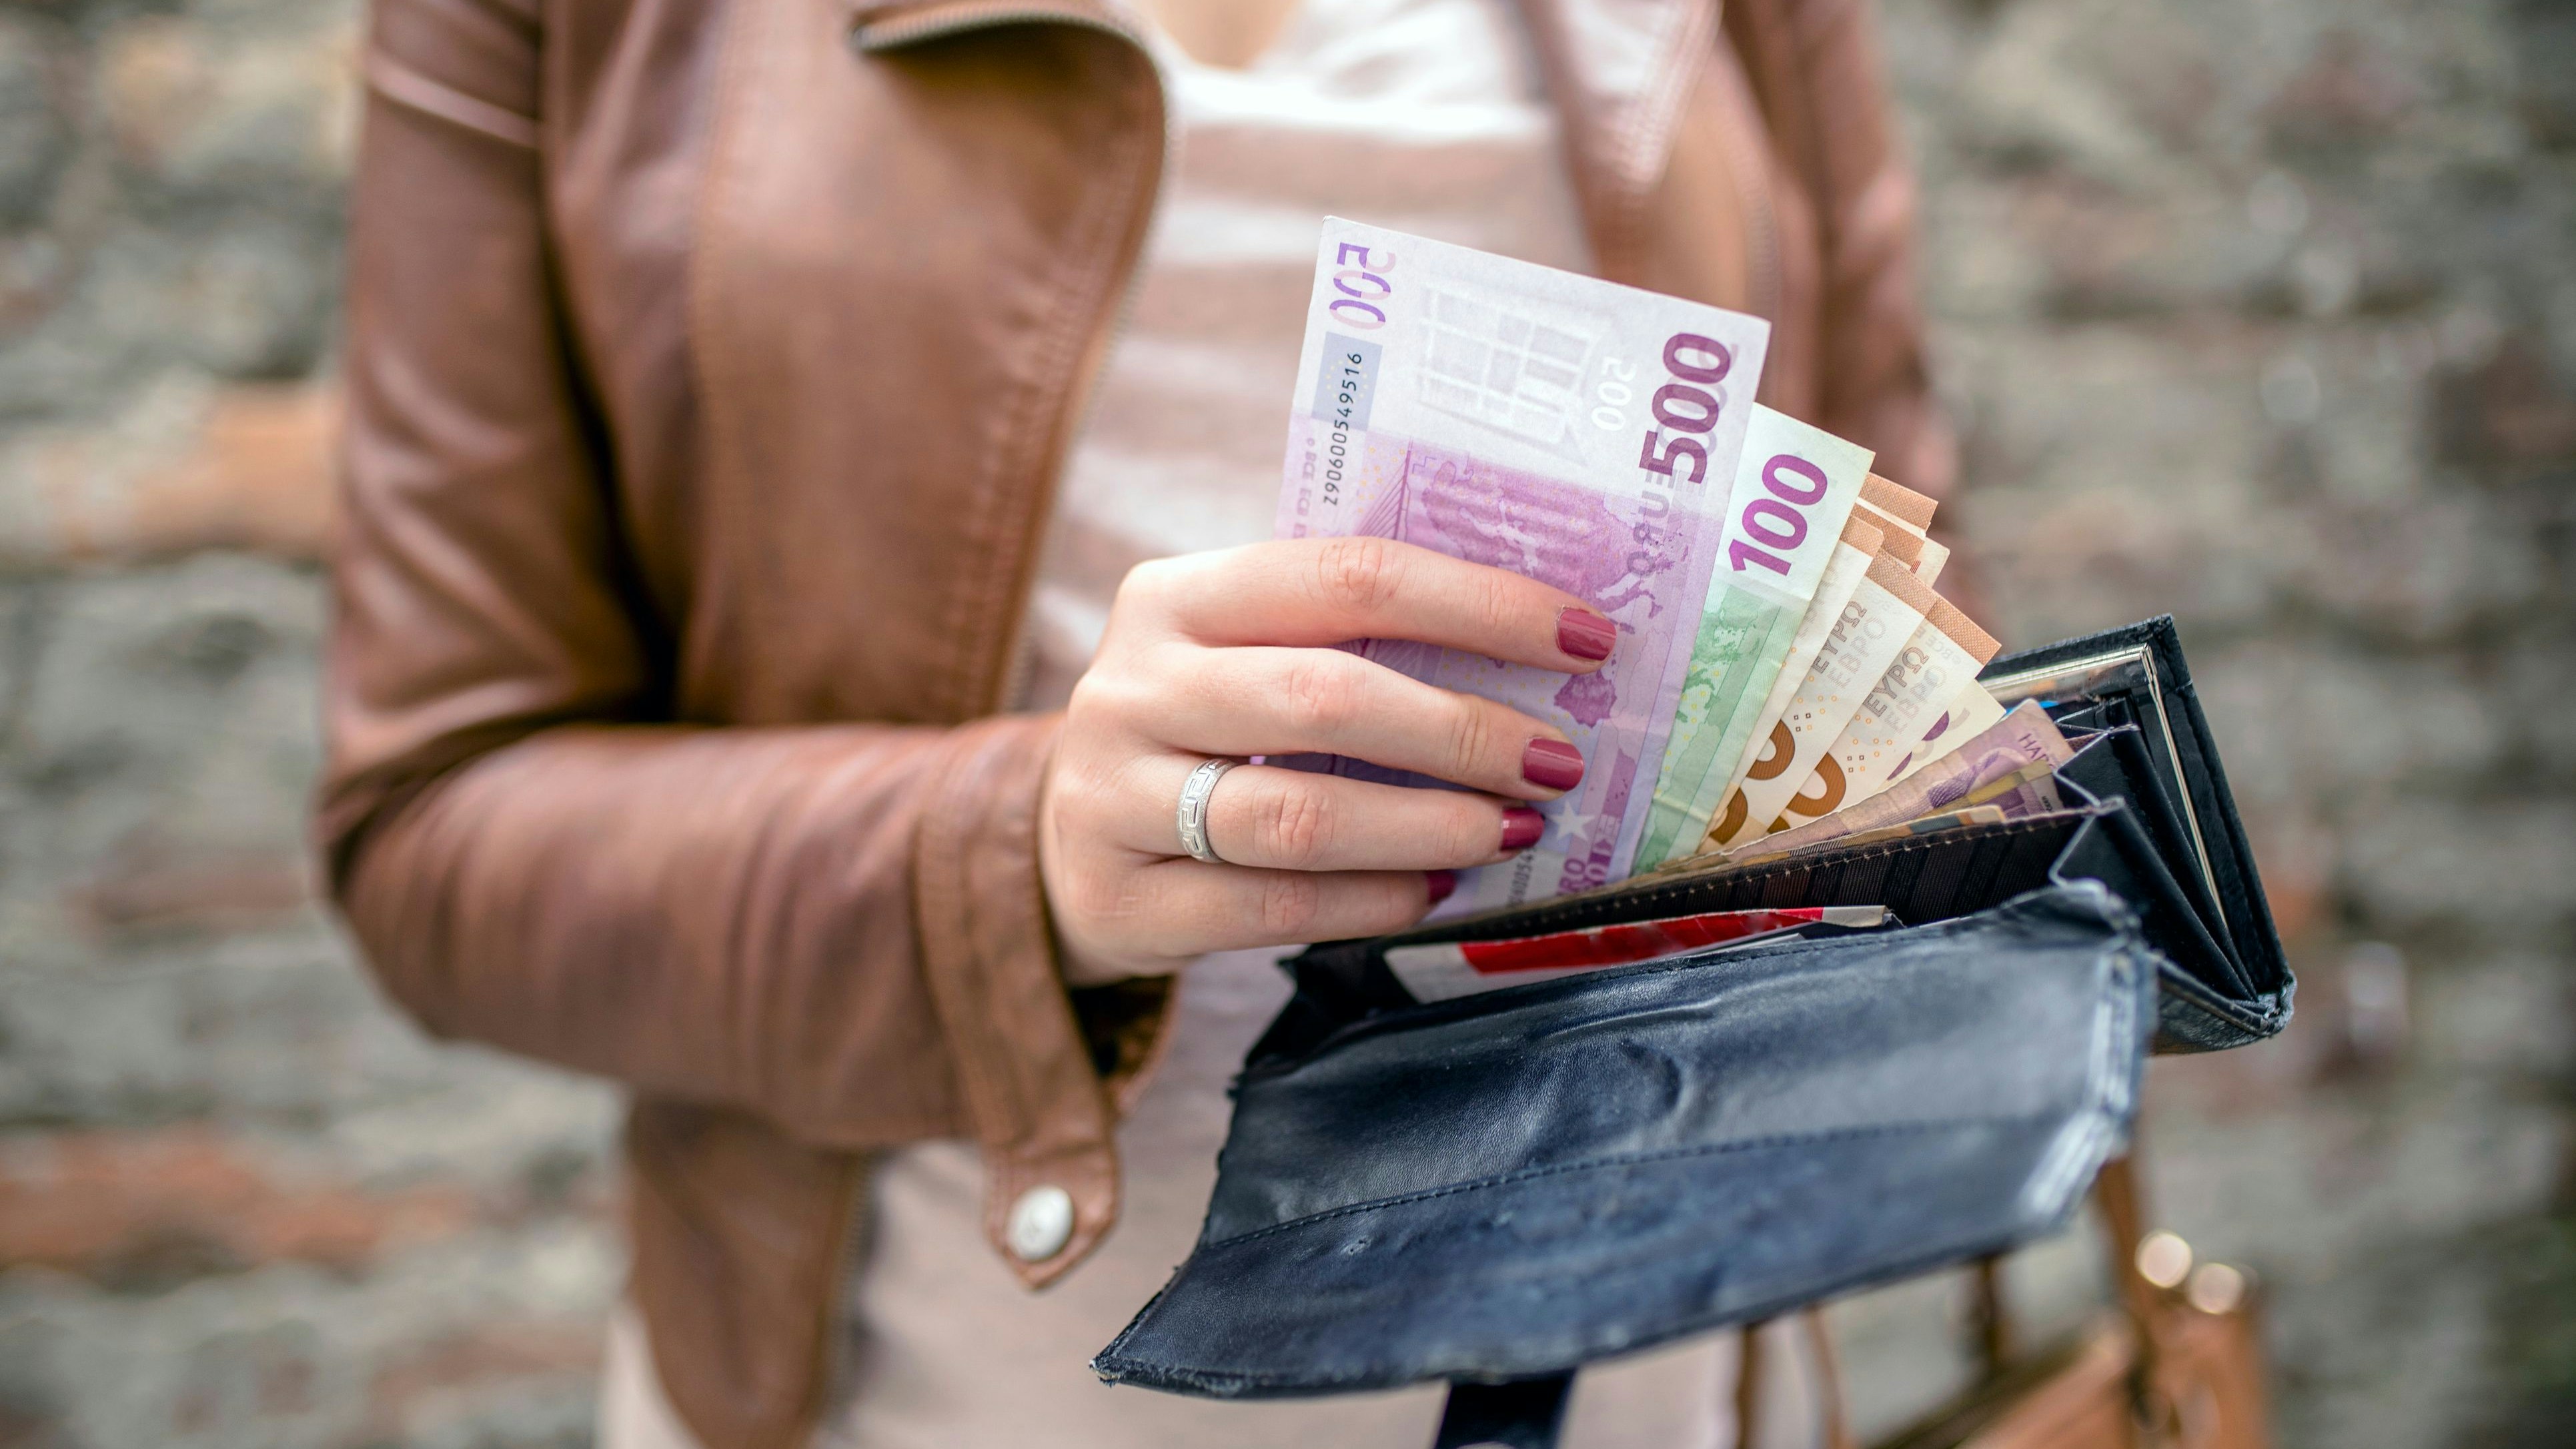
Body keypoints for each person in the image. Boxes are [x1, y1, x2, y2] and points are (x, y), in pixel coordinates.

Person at [322, 0, 1952, 1442]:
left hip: (1654, 1377)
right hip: (942, 1393)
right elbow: (431, 823)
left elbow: (1907, 611)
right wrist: (1004, 856)